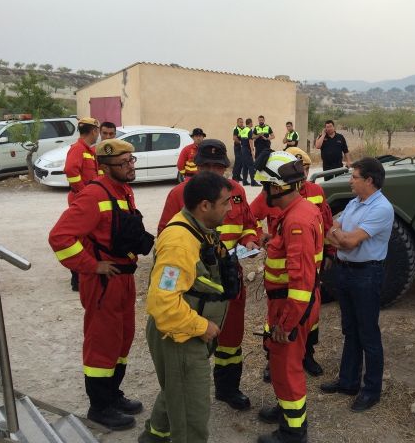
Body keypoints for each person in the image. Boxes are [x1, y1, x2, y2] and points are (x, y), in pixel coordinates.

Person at [49, 139, 153, 431]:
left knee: (122, 338)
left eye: (132, 160)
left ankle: (113, 394)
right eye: (124, 163)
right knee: (103, 342)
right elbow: (59, 237)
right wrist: (91, 265)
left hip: (123, 277)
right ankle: (99, 407)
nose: (131, 166)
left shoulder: (123, 190)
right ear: (105, 167)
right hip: (104, 282)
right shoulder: (93, 195)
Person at [157, 139, 259, 411]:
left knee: (231, 338)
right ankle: (188, 393)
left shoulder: (236, 191)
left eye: (218, 166)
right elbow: (165, 234)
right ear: (197, 166)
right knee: (192, 338)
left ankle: (228, 389)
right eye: (207, 166)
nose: (213, 172)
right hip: (196, 283)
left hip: (229, 278)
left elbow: (249, 225)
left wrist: (250, 240)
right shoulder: (179, 194)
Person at [139, 172, 236, 443]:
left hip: (187, 333)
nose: (230, 208)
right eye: (225, 203)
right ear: (204, 205)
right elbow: (164, 303)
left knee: (178, 389)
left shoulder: (199, 231)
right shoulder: (179, 244)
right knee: (191, 413)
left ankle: (154, 437)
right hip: (181, 336)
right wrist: (201, 326)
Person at [255, 150, 324, 443]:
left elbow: (300, 281)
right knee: (281, 363)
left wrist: (287, 323)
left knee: (287, 367)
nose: (263, 192)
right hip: (285, 303)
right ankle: (286, 411)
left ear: (276, 187)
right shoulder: (299, 211)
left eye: (265, 186)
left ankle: (293, 432)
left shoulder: (296, 221)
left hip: (291, 305)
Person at [250, 147, 334, 378]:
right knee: (283, 332)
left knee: (304, 323)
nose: (303, 174)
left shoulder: (310, 199)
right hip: (289, 284)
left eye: (306, 168)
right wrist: (262, 237)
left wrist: (329, 251)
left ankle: (303, 355)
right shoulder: (279, 197)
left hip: (300, 282)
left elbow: (326, 223)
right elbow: (250, 216)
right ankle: (276, 359)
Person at [320, 157, 394, 412]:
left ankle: (371, 390)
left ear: (369, 180)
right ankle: (348, 382)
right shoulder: (355, 202)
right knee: (350, 329)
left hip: (366, 275)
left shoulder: (381, 208)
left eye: (354, 177)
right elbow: (332, 228)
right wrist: (340, 236)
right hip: (345, 271)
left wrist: (339, 236)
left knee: (368, 333)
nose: (350, 181)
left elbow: (349, 242)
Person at [63, 117, 102, 291]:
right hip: (81, 200)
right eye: (98, 131)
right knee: (79, 238)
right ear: (94, 131)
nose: (98, 134)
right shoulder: (78, 149)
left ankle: (83, 275)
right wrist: (84, 193)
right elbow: (71, 171)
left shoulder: (89, 151)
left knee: (88, 238)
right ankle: (76, 279)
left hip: (87, 200)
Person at [239, 118, 260, 186]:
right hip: (247, 149)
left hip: (242, 148)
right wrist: (252, 151)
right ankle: (253, 182)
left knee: (245, 166)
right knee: (251, 166)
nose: (252, 124)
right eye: (252, 123)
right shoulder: (249, 130)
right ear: (250, 123)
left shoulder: (243, 130)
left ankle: (244, 181)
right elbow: (250, 141)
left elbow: (240, 138)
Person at [232, 118, 244, 182]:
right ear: (237, 122)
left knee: (241, 162)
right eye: (240, 122)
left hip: (243, 147)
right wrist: (240, 143)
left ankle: (238, 176)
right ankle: (234, 176)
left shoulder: (244, 129)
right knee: (237, 161)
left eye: (242, 122)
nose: (241, 123)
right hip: (237, 147)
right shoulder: (236, 129)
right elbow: (234, 138)